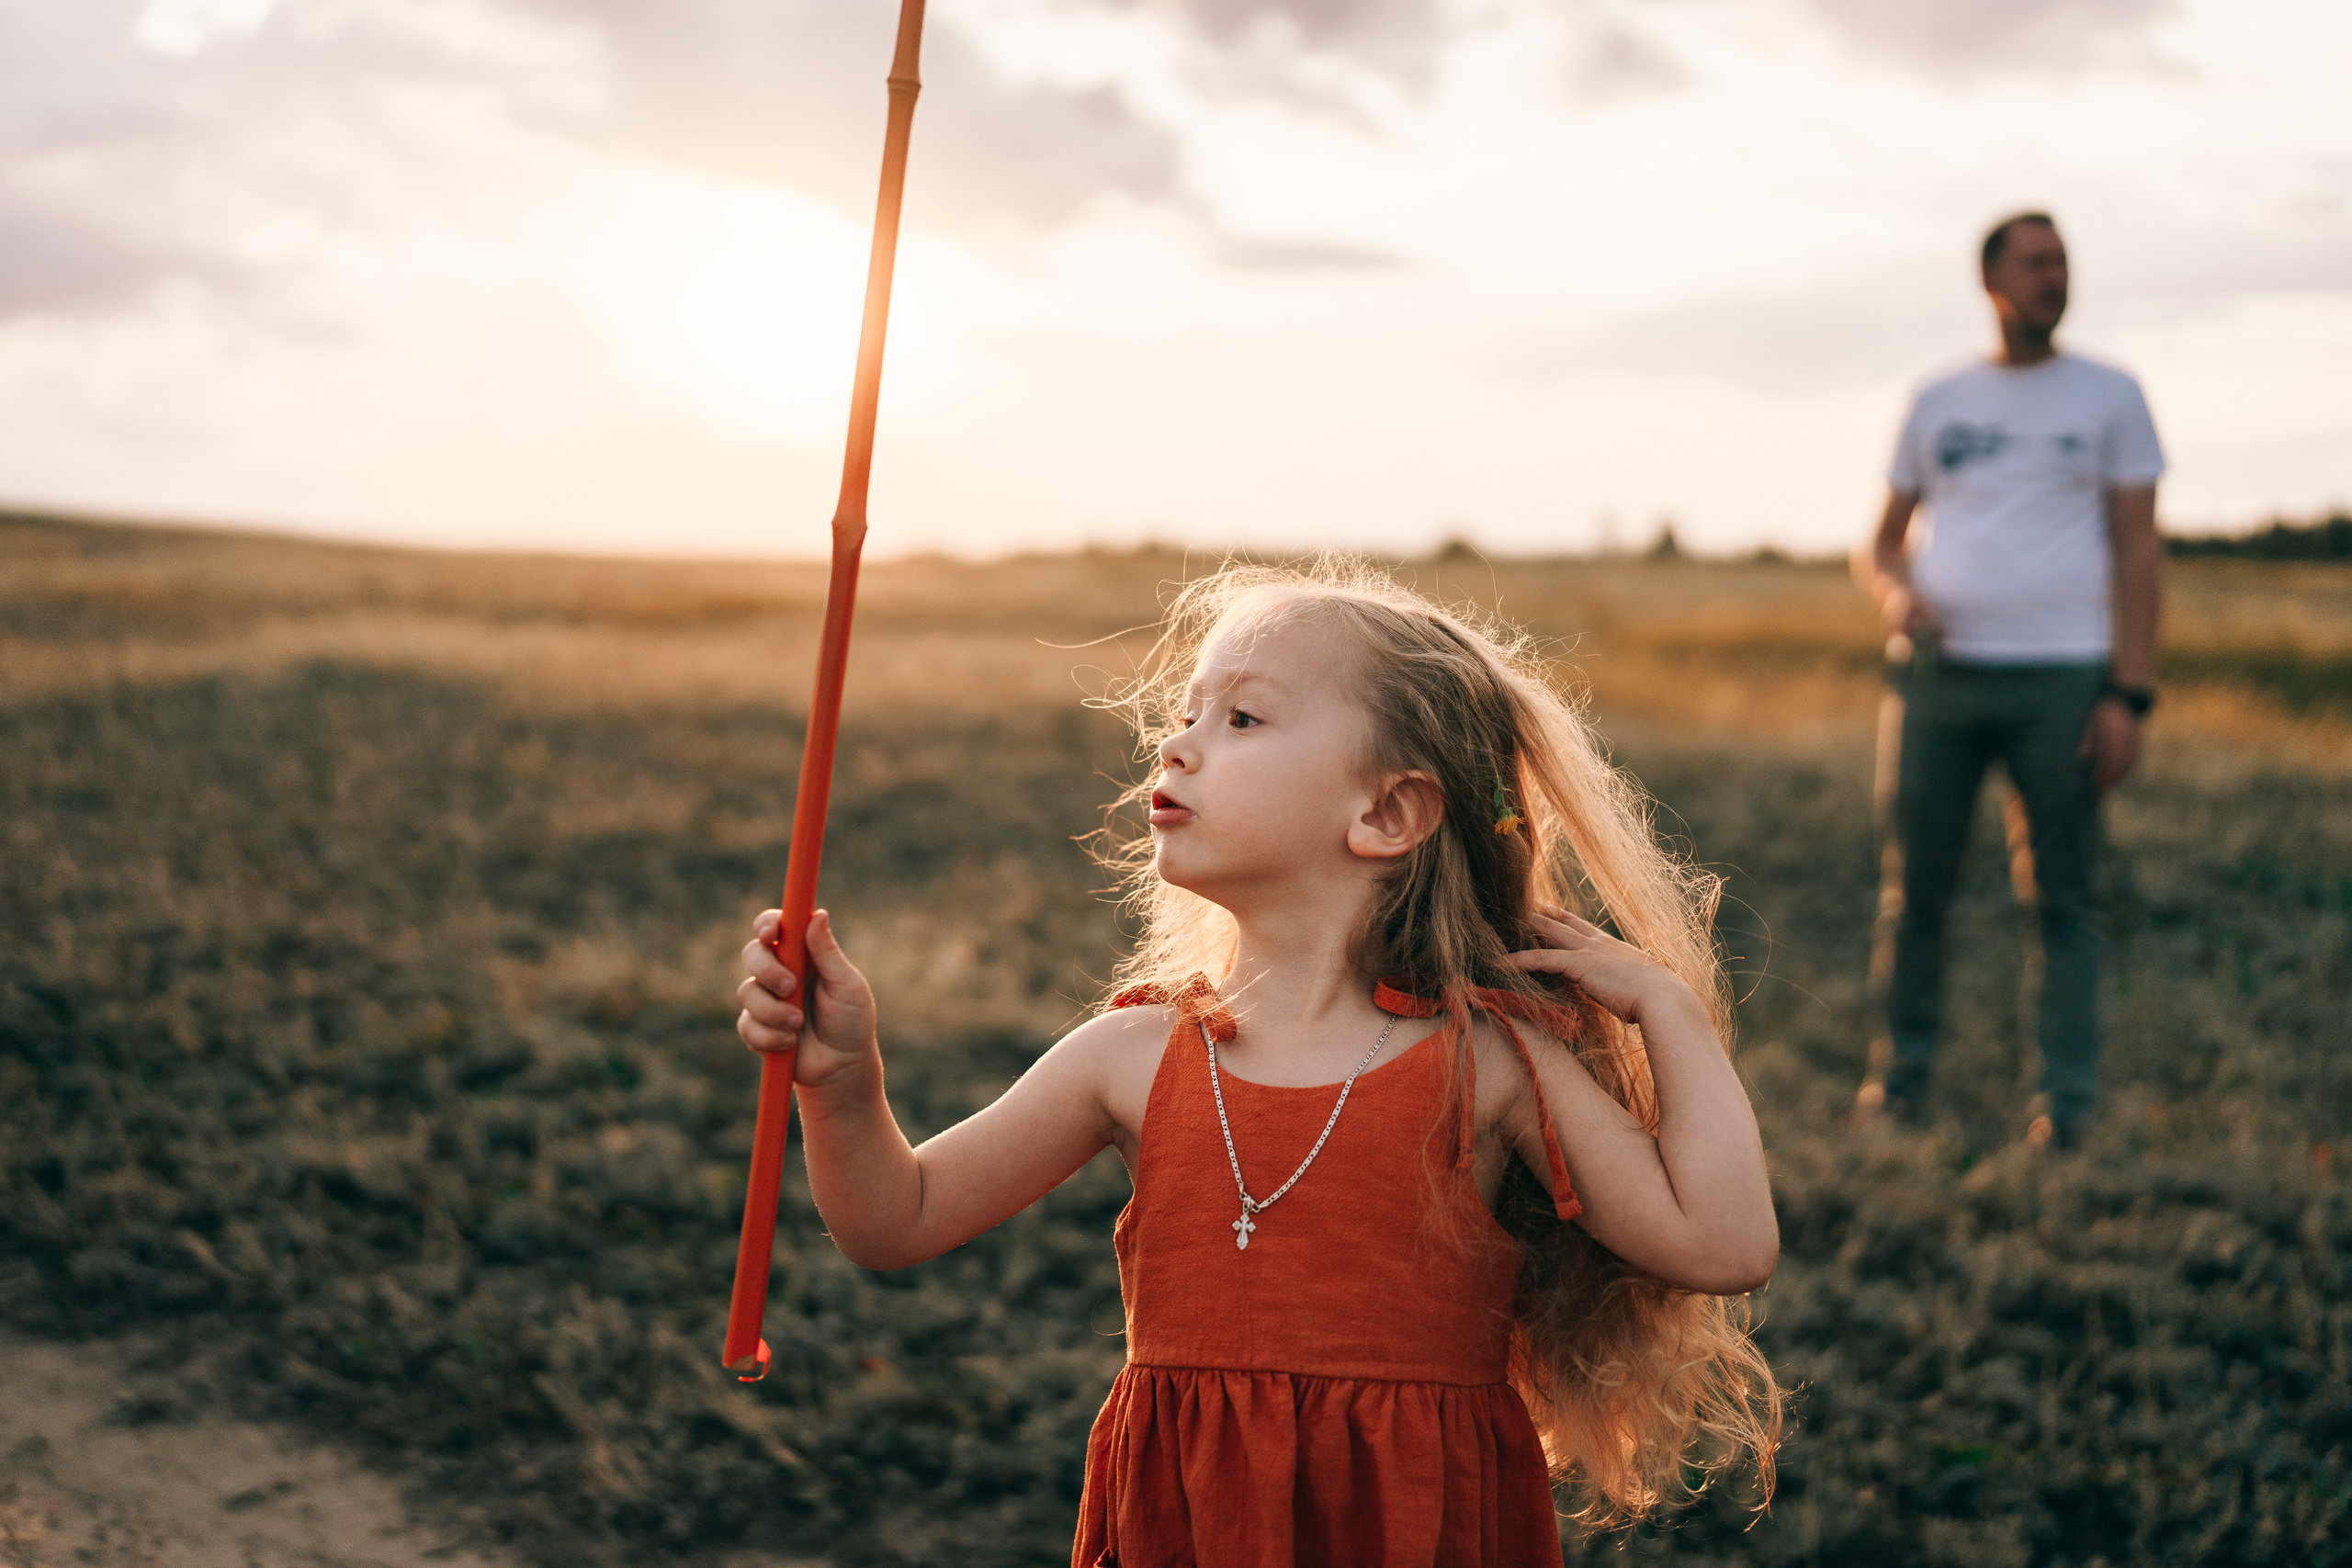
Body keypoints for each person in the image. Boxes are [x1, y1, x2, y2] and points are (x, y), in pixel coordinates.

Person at [734, 559, 1782, 1566]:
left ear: (1384, 813)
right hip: (1191, 1518)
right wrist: (842, 1083)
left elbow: (1722, 1245)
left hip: (1409, 1528)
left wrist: (1669, 1010)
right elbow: (895, 1220)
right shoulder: (1132, 1054)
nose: (1178, 746)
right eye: (1183, 715)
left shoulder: (1492, 1064)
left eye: (1240, 719)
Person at [1852, 211, 2165, 1150]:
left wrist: (2129, 693)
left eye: (2060, 260)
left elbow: (2138, 548)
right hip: (1939, 681)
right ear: (1990, 281)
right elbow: (1880, 542)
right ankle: (1897, 1082)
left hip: (2063, 682)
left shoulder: (2109, 394)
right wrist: (1897, 595)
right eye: (2033, 262)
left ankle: (2062, 1107)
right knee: (1916, 894)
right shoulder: (1938, 397)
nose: (2052, 275)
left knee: (2064, 897)